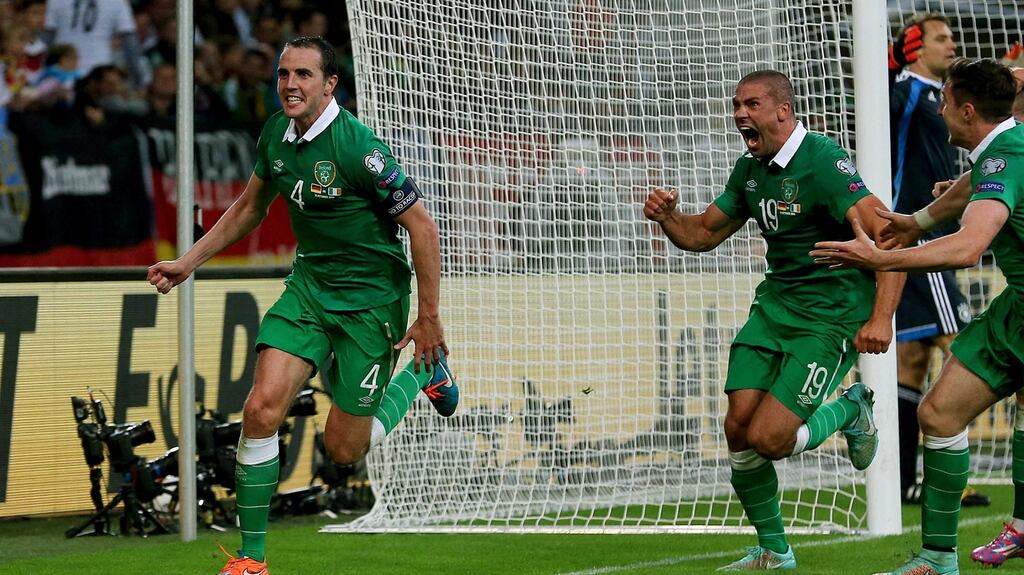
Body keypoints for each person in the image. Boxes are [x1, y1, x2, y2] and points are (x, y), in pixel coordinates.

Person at [147, 36, 459, 575]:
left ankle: (419, 376)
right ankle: (251, 559)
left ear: (330, 84)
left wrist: (427, 317)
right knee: (260, 408)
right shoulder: (275, 132)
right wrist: (187, 262)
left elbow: (423, 230)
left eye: (304, 75)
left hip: (371, 303)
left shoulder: (361, 149)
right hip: (310, 289)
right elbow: (248, 208)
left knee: (342, 452)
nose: (290, 85)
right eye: (284, 74)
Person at [644, 70, 903, 571]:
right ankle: (774, 551)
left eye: (752, 104)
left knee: (770, 439)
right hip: (774, 309)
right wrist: (668, 218)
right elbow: (701, 234)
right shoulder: (750, 170)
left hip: (828, 319)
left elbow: (890, 236)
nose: (740, 113)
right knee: (737, 427)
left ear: (784, 110)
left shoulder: (824, 164)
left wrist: (881, 317)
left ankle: (851, 409)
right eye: (736, 104)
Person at [811, 57, 1021, 575]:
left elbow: (969, 247)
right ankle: (938, 559)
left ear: (966, 111)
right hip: (1017, 308)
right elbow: (967, 189)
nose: (940, 109)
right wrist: (914, 222)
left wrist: (882, 258)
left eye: (944, 101)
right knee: (938, 414)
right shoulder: (1000, 150)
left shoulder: (1005, 158)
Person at [887, 12, 989, 508]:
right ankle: (952, 477)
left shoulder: (934, 97)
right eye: (941, 38)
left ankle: (906, 480)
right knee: (965, 347)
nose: (951, 44)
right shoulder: (910, 93)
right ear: (913, 46)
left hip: (926, 233)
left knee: (913, 359)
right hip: (918, 237)